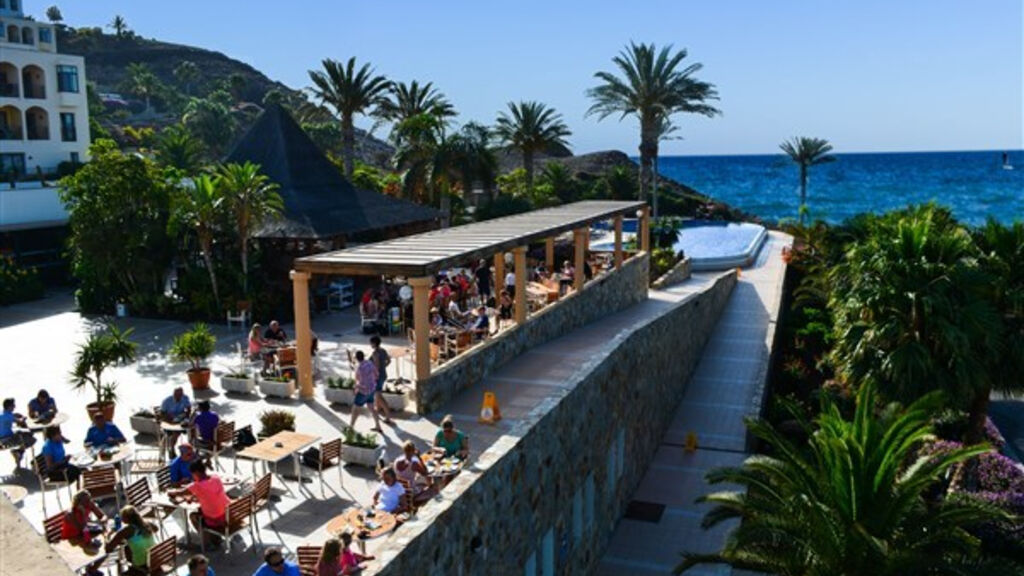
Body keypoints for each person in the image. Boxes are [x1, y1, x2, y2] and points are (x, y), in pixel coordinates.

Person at [169, 459, 229, 548]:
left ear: (196, 472)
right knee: (202, 510)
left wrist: (170, 492)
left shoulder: (197, 486)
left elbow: (180, 492)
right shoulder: (216, 478)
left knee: (193, 516)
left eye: (192, 474)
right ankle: (214, 538)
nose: (192, 477)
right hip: (226, 513)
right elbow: (208, 494)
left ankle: (207, 543)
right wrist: (194, 497)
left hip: (215, 519)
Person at [105, 505, 157, 575]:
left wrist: (107, 535)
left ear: (127, 518)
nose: (121, 518)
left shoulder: (126, 531)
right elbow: (156, 529)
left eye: (122, 516)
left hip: (141, 565)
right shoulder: (147, 524)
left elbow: (108, 548)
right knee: (127, 548)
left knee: (125, 554)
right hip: (155, 560)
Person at [350, 350, 382, 432]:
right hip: (371, 389)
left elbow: (357, 380)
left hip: (363, 391)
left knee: (355, 409)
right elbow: (377, 374)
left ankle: (351, 427)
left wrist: (355, 388)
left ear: (356, 358)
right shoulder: (370, 363)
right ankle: (378, 426)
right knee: (372, 408)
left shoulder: (359, 368)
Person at [0, 398, 34, 467]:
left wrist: (15, 416)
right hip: (7, 439)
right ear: (9, 407)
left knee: (19, 433)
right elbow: (20, 421)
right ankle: (19, 452)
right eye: (13, 406)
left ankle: (18, 456)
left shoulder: (2, 414)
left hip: (1, 439)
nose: (14, 407)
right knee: (31, 438)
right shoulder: (9, 416)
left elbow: (10, 418)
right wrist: (23, 418)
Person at [369, 336, 394, 425]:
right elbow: (389, 361)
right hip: (383, 375)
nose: (370, 344)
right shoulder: (383, 350)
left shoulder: (375, 354)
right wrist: (384, 367)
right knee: (377, 395)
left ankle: (388, 416)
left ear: (374, 343)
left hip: (378, 377)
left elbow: (377, 366)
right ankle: (378, 409)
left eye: (371, 342)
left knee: (379, 396)